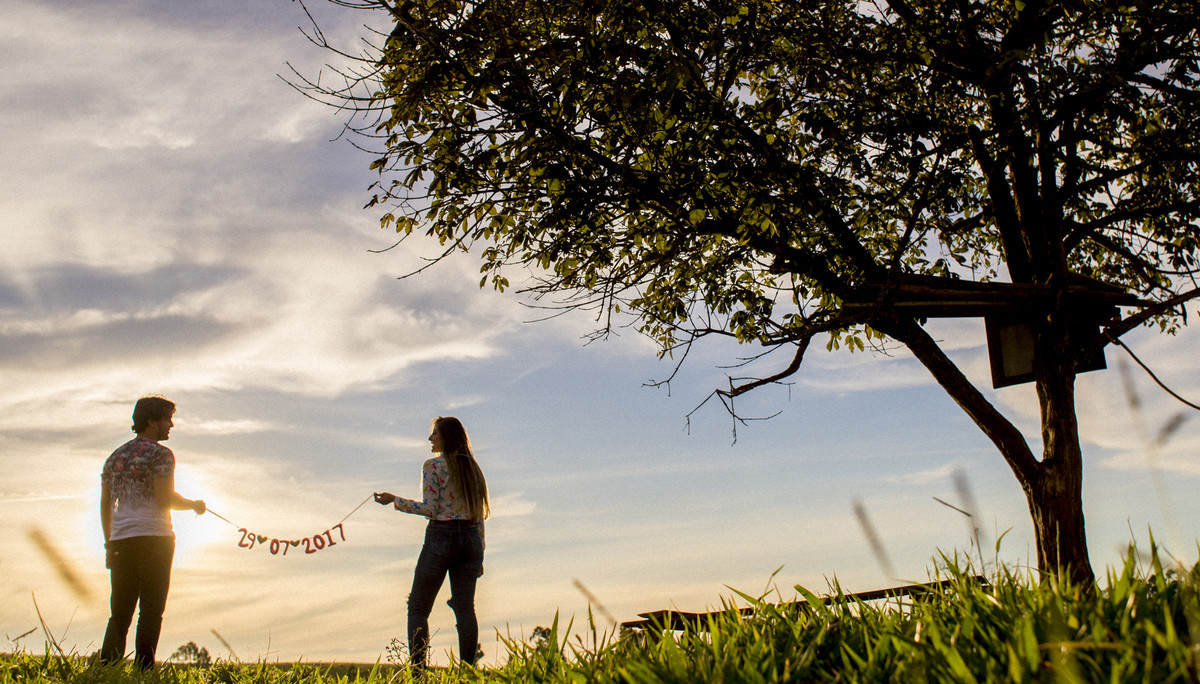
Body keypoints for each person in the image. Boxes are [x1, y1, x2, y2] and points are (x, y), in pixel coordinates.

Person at [374, 416, 490, 671]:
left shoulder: (433, 466)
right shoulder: (474, 469)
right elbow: (479, 515)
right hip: (470, 539)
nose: (430, 438)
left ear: (446, 436)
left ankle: (417, 673)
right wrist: (479, 554)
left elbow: (431, 509)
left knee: (417, 606)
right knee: (465, 608)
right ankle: (468, 673)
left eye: (435, 433)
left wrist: (395, 500)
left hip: (442, 537)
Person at [99, 396, 205, 670]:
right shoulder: (161, 454)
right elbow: (164, 499)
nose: (170, 425)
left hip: (121, 540)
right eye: (166, 419)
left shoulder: (115, 457)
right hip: (155, 539)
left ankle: (106, 669)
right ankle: (143, 671)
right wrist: (194, 505)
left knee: (119, 613)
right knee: (151, 611)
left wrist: (109, 540)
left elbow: (105, 505)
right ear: (150, 420)